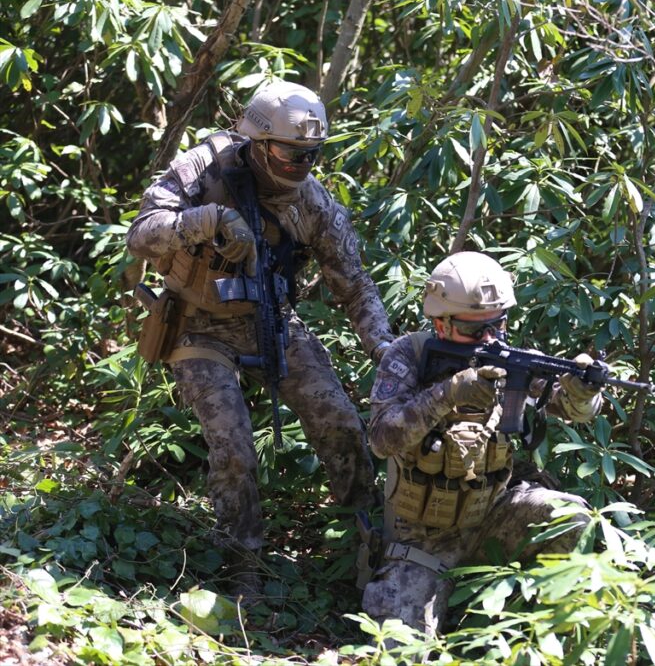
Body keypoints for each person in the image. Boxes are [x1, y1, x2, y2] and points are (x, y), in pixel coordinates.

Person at [126, 81, 393, 593]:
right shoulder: (204, 169)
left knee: (339, 420)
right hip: (197, 322)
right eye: (290, 154)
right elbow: (141, 235)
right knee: (233, 445)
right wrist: (208, 220)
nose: (301, 165)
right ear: (258, 143)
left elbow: (355, 285)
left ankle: (365, 538)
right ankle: (241, 564)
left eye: (311, 154)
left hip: (270, 318)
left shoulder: (312, 204)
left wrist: (383, 347)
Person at [359, 251, 604, 637]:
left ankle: (546, 627)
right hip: (423, 538)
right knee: (400, 645)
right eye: (474, 330)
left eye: (497, 325)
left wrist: (582, 390)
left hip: (494, 515)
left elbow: (568, 407)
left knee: (571, 517)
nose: (489, 338)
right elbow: (381, 439)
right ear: (440, 322)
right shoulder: (410, 355)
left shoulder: (510, 359)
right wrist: (448, 393)